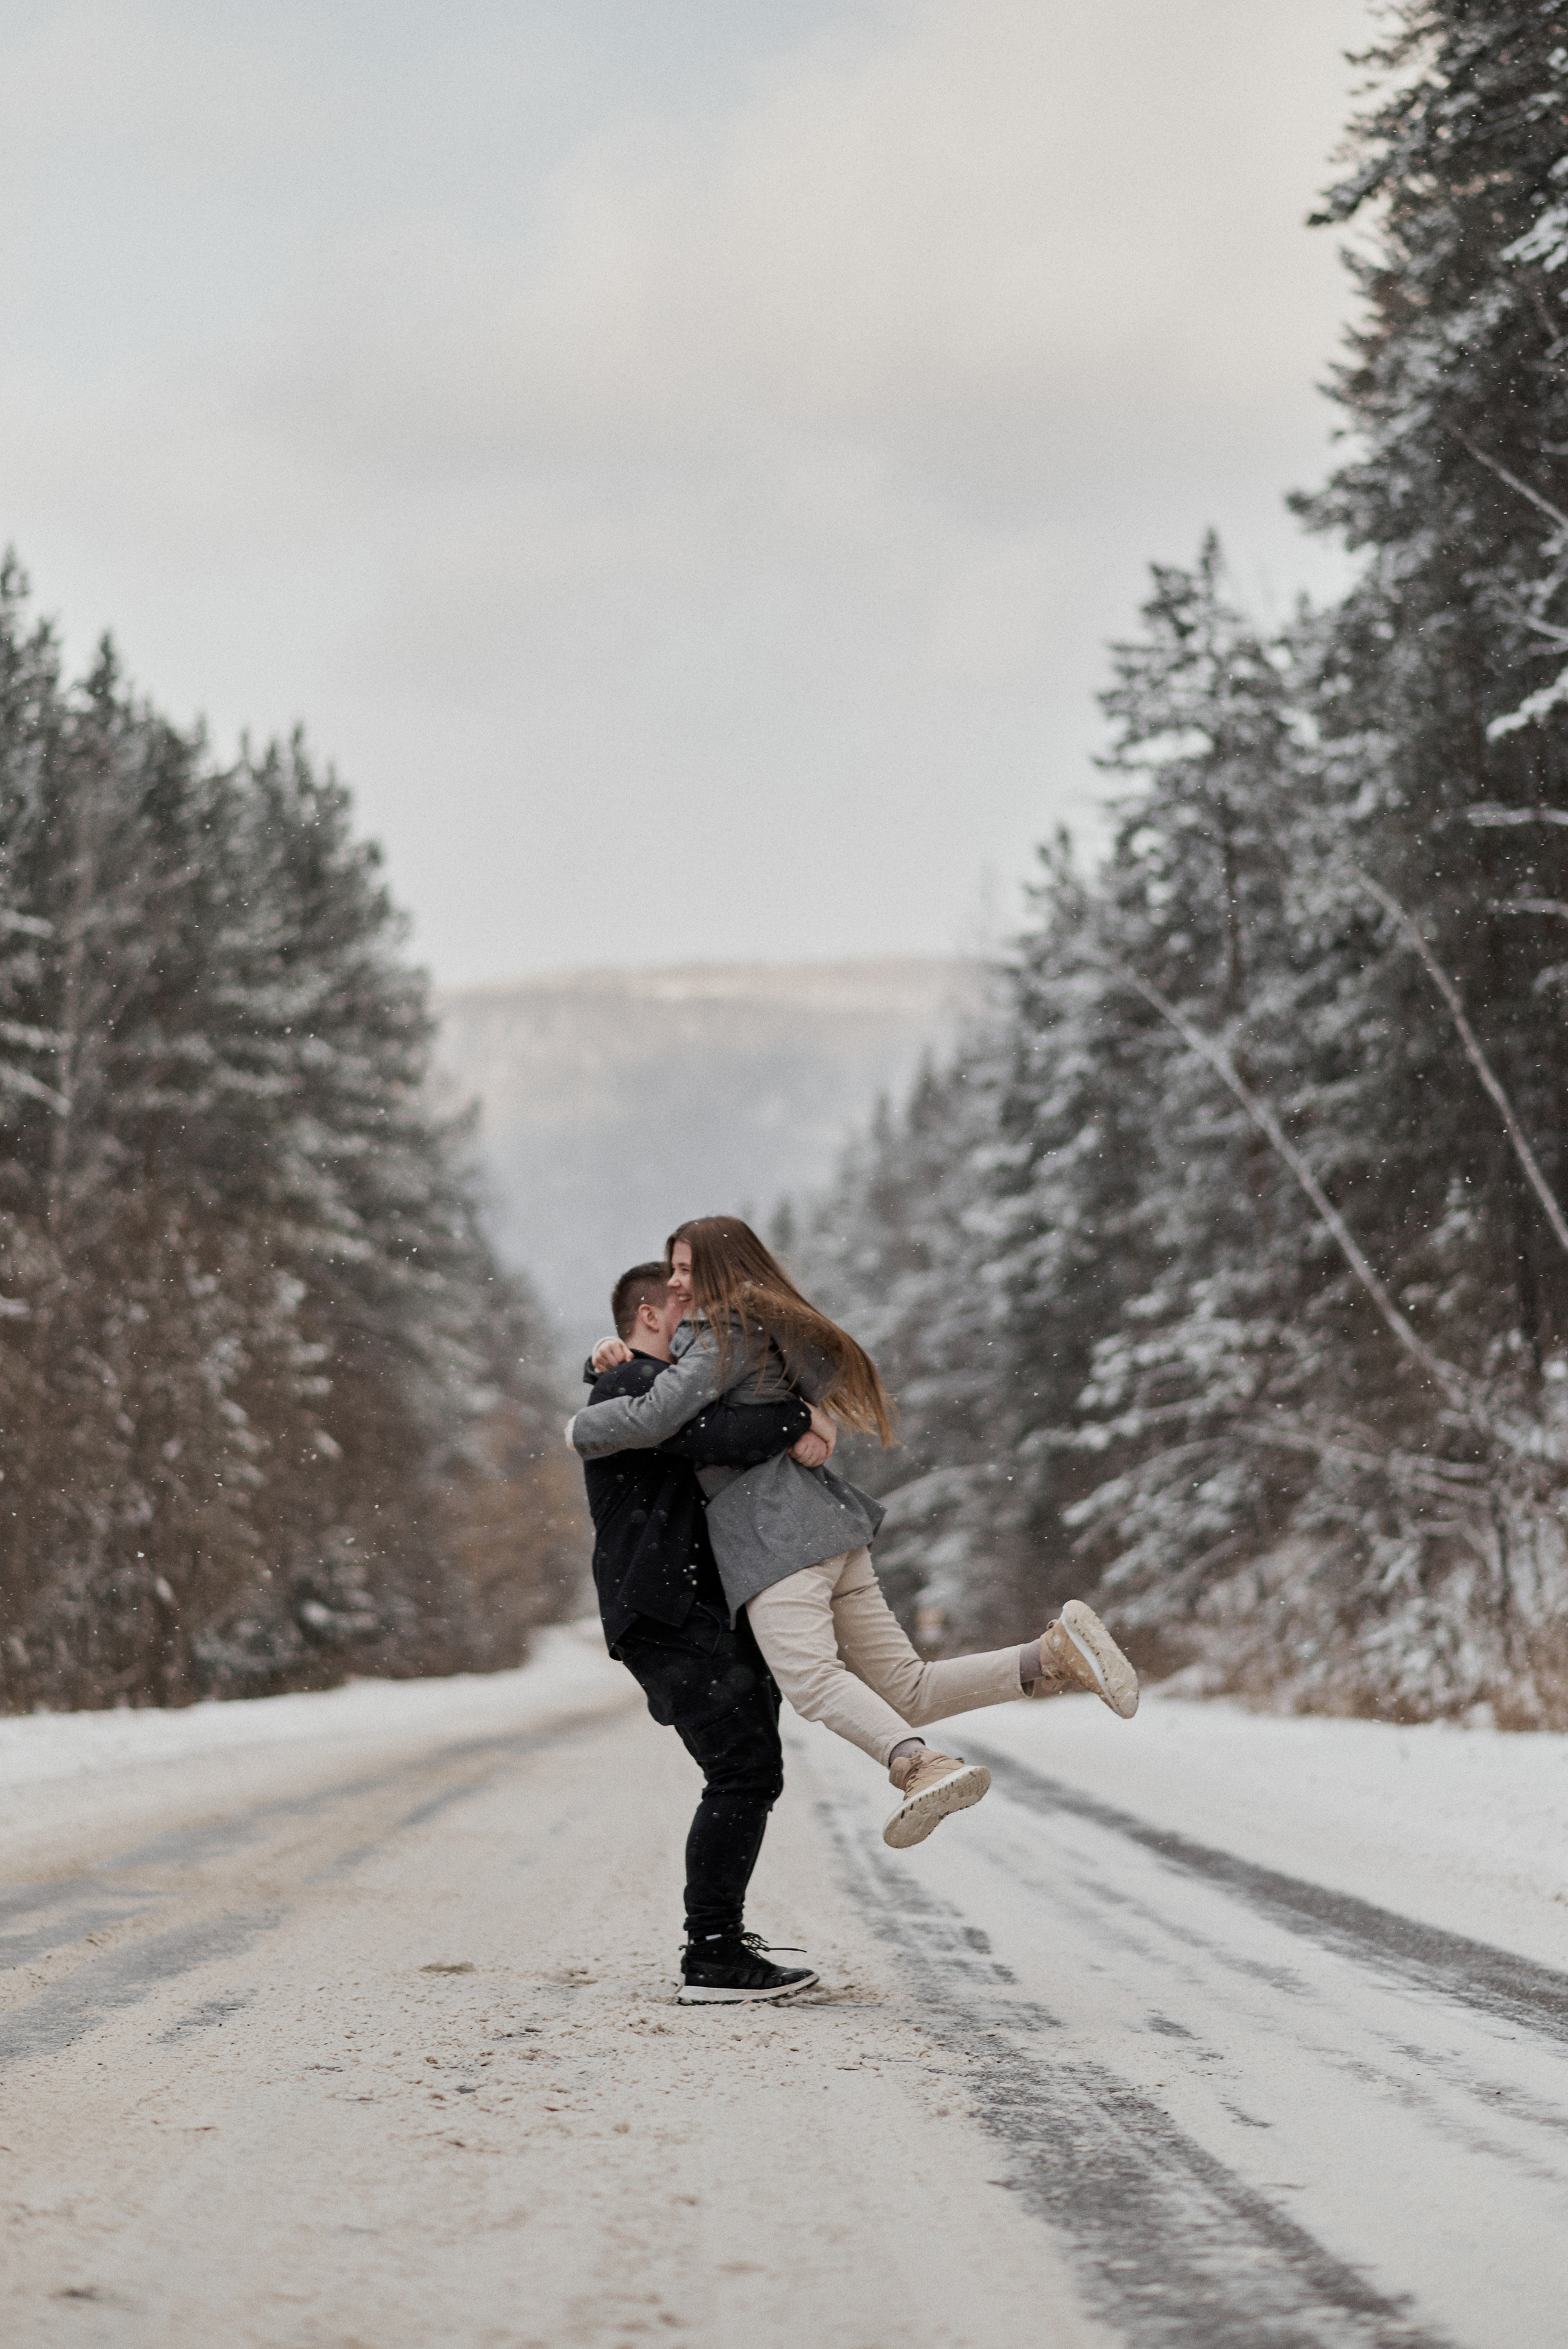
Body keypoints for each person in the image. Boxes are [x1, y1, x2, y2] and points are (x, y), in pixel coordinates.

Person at [568, 1216, 1139, 1855]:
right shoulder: (764, 1334)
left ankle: (916, 1765)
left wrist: (583, 1425)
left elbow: (665, 1419)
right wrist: (612, 1359)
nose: (677, 1284)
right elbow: (708, 1403)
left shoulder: (720, 1338)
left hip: (774, 1536)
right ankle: (1050, 1657)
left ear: (720, 1272)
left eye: (684, 1271)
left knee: (812, 1679)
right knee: (907, 1688)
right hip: (827, 1528)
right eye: (671, 1272)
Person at [580, 1259, 825, 2006]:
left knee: (750, 1767)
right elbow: (726, 1432)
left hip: (688, 1606)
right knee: (743, 1769)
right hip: (664, 1608)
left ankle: (717, 1945)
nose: (702, 1326)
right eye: (686, 1310)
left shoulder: (641, 1383)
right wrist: (797, 1416)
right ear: (649, 1315)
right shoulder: (633, 1386)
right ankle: (712, 1955)